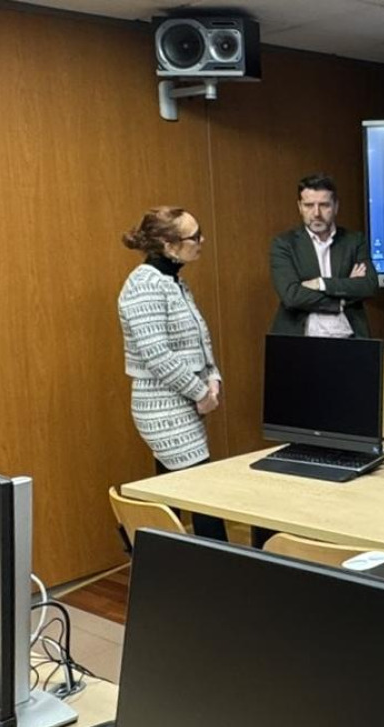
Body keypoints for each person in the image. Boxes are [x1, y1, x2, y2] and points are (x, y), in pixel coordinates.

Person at [118, 206, 227, 541]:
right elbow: (158, 356)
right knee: (202, 492)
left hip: (185, 399)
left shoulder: (172, 281)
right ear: (168, 244)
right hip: (163, 406)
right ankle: (221, 568)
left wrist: (214, 376)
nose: (201, 241)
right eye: (194, 236)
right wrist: (201, 393)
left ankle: (165, 565)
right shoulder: (144, 286)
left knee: (172, 490)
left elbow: (197, 339)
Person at [270, 173, 379, 338]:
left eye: (324, 205)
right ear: (299, 207)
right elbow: (291, 296)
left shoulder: (354, 240)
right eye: (308, 205)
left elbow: (369, 285)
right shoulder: (285, 244)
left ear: (335, 206)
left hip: (349, 337)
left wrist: (321, 283)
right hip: (302, 339)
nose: (316, 213)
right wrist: (341, 299)